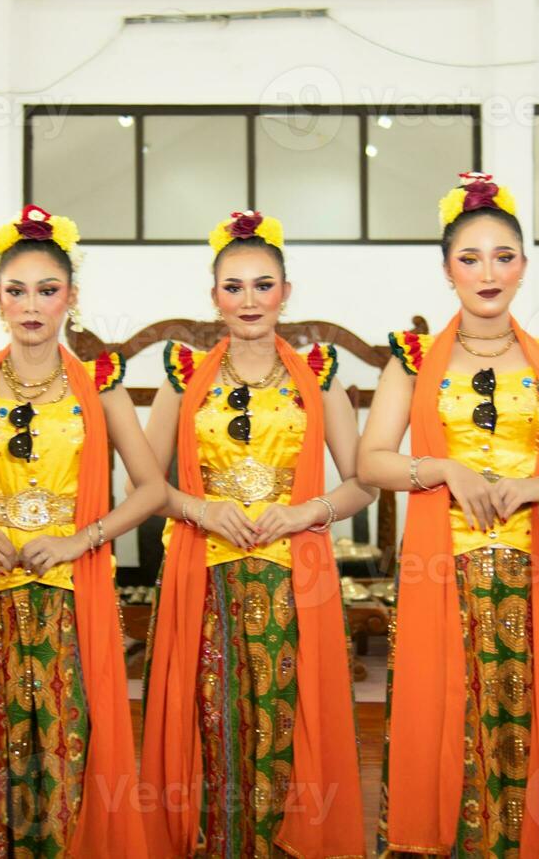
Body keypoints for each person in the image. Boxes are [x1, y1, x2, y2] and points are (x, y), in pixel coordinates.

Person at [0, 205, 164, 857]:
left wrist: (81, 538)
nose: (31, 306)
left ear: (72, 299)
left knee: (67, 746)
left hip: (69, 591)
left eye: (47, 291)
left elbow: (152, 489)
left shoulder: (100, 383)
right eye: (16, 291)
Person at [358, 172, 539, 858]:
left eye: (504, 256)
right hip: (443, 572)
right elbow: (372, 461)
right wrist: (447, 470)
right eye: (470, 257)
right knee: (447, 723)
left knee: (535, 724)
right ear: (446, 269)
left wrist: (537, 485)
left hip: (537, 574)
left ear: (523, 266)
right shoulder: (414, 357)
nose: (488, 272)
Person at [140, 209, 373, 858]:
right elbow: (144, 485)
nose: (249, 300)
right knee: (210, 721)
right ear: (214, 295)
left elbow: (361, 483)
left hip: (292, 579)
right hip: (204, 576)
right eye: (234, 286)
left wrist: (303, 514)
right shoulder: (184, 375)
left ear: (286, 292)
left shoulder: (317, 374)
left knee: (285, 724)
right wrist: (199, 508)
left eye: (263, 284)